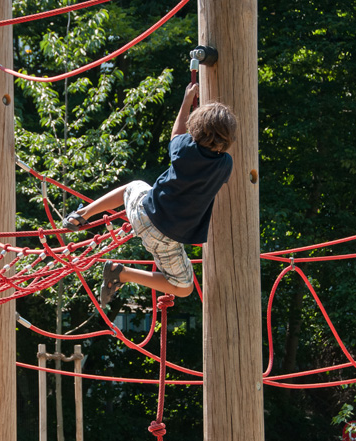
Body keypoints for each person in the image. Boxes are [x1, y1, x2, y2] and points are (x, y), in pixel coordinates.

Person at [62, 83, 237, 306]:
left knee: (132, 185)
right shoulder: (225, 165)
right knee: (183, 288)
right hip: (165, 239)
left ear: (196, 128)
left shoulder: (184, 148)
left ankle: (82, 213)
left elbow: (176, 133)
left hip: (143, 212)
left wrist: (187, 100)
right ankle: (122, 274)